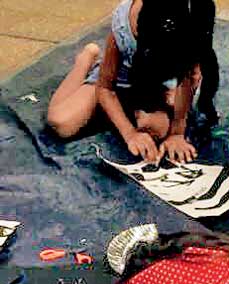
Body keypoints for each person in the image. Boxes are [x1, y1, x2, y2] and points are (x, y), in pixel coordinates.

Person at [46, 0, 218, 163]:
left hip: (158, 86)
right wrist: (129, 133)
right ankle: (84, 61)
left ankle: (118, 112)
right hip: (118, 81)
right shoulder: (126, 20)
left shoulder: (197, 14)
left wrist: (176, 133)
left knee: (155, 128)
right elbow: (105, 87)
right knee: (62, 123)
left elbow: (189, 78)